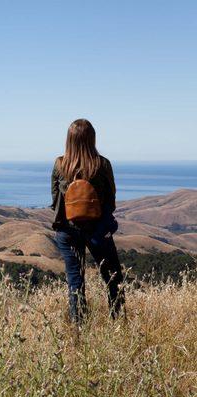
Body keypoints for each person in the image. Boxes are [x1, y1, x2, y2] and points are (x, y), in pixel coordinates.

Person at [51, 119, 124, 323]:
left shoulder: (59, 164)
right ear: (92, 138)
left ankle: (79, 330)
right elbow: (110, 200)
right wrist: (106, 226)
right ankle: (117, 325)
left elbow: (56, 199)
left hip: (68, 230)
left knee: (75, 283)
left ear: (69, 139)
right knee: (113, 279)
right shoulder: (102, 164)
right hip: (98, 230)